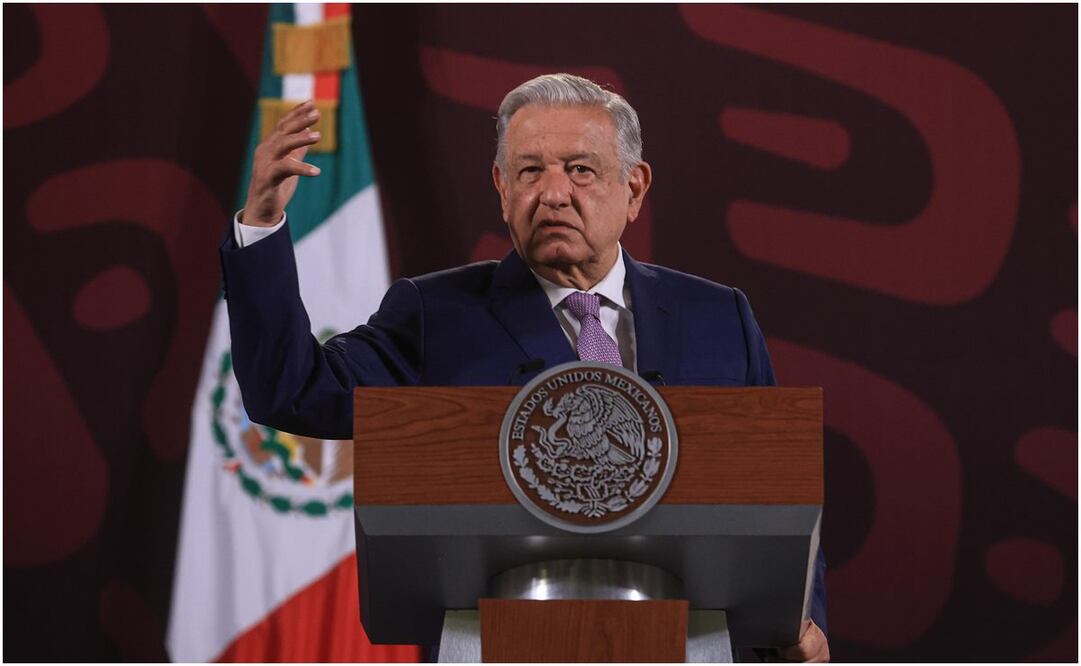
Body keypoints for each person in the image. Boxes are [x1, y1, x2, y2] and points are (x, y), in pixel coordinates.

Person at [222, 73, 829, 662]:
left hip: (690, 638)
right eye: (530, 171)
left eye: (581, 170)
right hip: (497, 639)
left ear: (635, 188)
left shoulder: (717, 315)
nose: (554, 193)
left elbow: (781, 487)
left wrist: (802, 622)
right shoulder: (435, 313)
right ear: (502, 188)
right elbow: (293, 391)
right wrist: (263, 223)